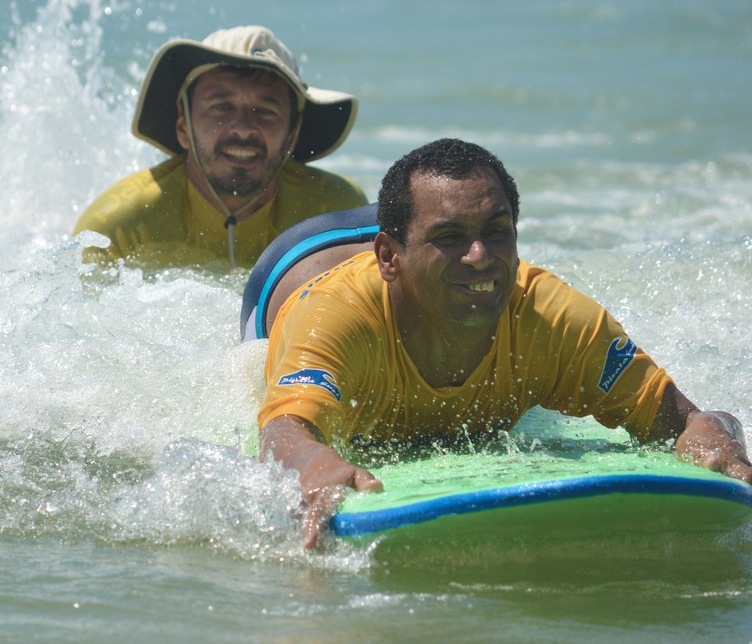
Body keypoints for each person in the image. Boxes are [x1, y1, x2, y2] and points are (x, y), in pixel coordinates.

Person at [255, 138, 752, 549]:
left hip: (414, 233)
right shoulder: (334, 320)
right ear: (386, 256)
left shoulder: (555, 321)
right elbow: (283, 431)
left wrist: (716, 437)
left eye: (497, 231)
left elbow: (686, 418)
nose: (480, 256)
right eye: (451, 238)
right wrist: (310, 462)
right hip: (299, 261)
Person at [72, 26, 368, 269]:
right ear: (183, 126)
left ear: (292, 134)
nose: (242, 127)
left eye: (265, 110)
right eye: (221, 107)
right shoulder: (115, 229)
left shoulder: (337, 215)